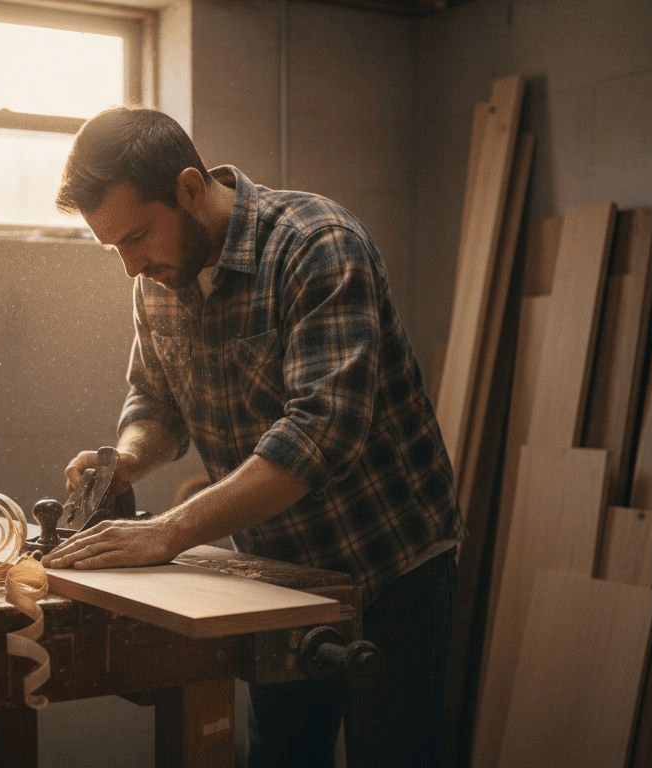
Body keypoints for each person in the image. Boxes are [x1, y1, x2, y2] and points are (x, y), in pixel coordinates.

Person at [44, 106, 462, 768]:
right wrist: (124, 461)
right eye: (114, 247)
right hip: (280, 576)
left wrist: (168, 531)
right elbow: (156, 400)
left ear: (189, 187)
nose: (129, 265)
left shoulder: (316, 244)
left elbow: (321, 433)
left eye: (137, 236)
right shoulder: (158, 278)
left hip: (390, 562)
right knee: (282, 757)